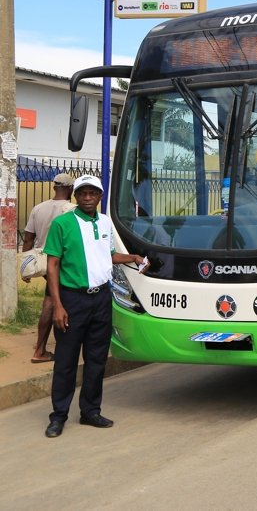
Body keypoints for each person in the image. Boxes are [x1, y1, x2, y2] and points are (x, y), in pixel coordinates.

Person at [42, 175, 147, 438]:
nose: (88, 198)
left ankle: (90, 411)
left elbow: (108, 255)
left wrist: (132, 257)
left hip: (101, 300)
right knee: (66, 361)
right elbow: (52, 265)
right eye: (83, 193)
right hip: (72, 300)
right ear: (75, 196)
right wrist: (57, 305)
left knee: (96, 359)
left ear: (100, 196)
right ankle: (58, 416)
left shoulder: (105, 222)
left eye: (93, 193)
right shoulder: (62, 224)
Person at [21, 172, 75, 364]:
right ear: (71, 189)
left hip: (42, 263)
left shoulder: (38, 208)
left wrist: (24, 269)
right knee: (54, 303)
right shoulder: (72, 210)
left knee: (51, 301)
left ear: (54, 187)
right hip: (62, 264)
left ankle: (44, 349)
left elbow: (28, 239)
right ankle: (41, 350)